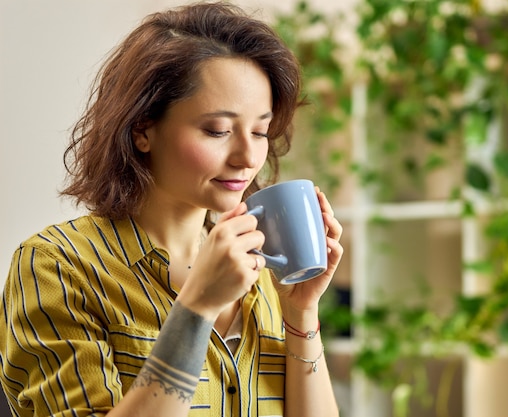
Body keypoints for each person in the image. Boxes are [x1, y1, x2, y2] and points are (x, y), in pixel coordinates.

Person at [0, 2, 343, 417]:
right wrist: (196, 308)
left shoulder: (265, 272)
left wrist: (301, 311)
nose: (247, 156)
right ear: (143, 129)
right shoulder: (58, 265)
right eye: (217, 130)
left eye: (260, 131)